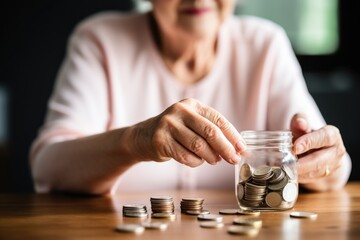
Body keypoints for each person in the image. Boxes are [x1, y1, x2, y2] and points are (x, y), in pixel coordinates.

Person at [29, 0, 351, 195]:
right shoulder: (98, 40)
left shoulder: (267, 45)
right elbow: (47, 167)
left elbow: (332, 165)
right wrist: (136, 140)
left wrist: (325, 162)